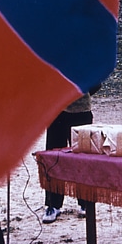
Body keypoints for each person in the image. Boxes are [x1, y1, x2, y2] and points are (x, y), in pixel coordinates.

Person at [42, 89, 97, 223]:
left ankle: (85, 202)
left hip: (81, 111)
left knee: (82, 158)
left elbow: (96, 83)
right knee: (53, 158)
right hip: (55, 111)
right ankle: (53, 204)